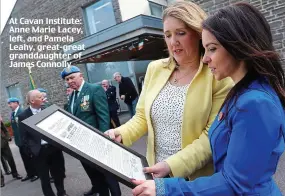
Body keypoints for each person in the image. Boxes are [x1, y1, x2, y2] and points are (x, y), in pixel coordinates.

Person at [132, 2, 285, 196]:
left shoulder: (254, 104)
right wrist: (168, 166)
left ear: (237, 46)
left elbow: (235, 184)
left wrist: (166, 188)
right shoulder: (240, 92)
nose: (205, 59)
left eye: (212, 49)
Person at [105, 0, 233, 182]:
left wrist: (171, 166)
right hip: (155, 171)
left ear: (198, 34)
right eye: (167, 35)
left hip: (194, 178)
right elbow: (141, 116)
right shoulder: (155, 69)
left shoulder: (217, 75)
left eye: (181, 33)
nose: (173, 42)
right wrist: (121, 133)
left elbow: (210, 137)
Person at [61, 66, 121, 196]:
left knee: (108, 175)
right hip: (82, 144)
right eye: (67, 79)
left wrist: (103, 140)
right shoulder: (72, 96)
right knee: (96, 177)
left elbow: (103, 116)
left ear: (81, 75)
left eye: (72, 77)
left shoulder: (94, 89)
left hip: (97, 142)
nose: (70, 81)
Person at [18, 90, 68, 196]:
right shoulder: (23, 116)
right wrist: (31, 152)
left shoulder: (48, 110)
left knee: (58, 174)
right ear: (32, 100)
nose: (43, 99)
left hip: (53, 149)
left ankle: (61, 192)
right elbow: (24, 137)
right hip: (38, 152)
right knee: (44, 178)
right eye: (40, 97)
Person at [7, 97, 39, 182]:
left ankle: (35, 174)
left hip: (24, 140)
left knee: (29, 158)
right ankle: (29, 173)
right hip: (19, 140)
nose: (9, 105)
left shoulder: (21, 112)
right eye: (9, 103)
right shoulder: (13, 113)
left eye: (10, 103)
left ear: (16, 103)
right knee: (25, 158)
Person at [0, 116, 22, 180]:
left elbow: (5, 130)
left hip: (4, 144)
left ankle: (15, 174)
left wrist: (7, 138)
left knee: (10, 159)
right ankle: (1, 180)